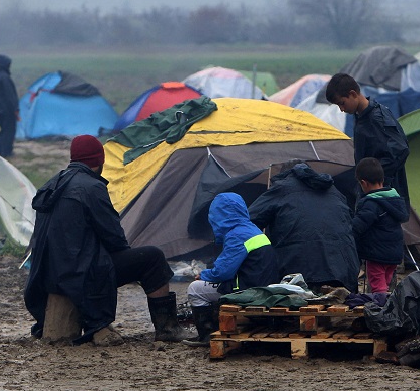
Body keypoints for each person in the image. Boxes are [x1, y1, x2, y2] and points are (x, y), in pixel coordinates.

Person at [24, 135, 187, 344]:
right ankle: (168, 329)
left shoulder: (51, 185)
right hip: (79, 274)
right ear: (99, 161)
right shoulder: (91, 187)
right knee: (153, 258)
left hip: (46, 274)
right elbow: (114, 238)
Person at [182, 192, 280, 347]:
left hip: (249, 290)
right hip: (262, 285)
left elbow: (223, 271)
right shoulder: (251, 229)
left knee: (195, 289)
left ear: (218, 216)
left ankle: (208, 335)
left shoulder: (236, 235)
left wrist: (204, 275)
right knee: (210, 286)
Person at [248, 162, 360, 291]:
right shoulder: (334, 192)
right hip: (344, 273)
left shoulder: (281, 189)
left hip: (298, 275)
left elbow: (247, 222)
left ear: (285, 175)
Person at [325, 73, 411, 205]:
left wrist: (373, 178)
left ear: (353, 94)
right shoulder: (359, 117)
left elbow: (400, 150)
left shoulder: (378, 118)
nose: (342, 109)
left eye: (342, 103)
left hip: (384, 195)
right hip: (369, 192)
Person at [351, 158, 407, 294]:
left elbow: (357, 227)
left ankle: (381, 310)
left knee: (378, 287)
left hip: (376, 255)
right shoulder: (395, 199)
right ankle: (387, 305)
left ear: (363, 183)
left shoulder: (370, 203)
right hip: (394, 254)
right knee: (385, 284)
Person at [0, 54, 19, 158]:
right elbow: (10, 95)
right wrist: (15, 109)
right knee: (9, 131)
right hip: (8, 110)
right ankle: (6, 151)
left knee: (3, 130)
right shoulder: (4, 77)